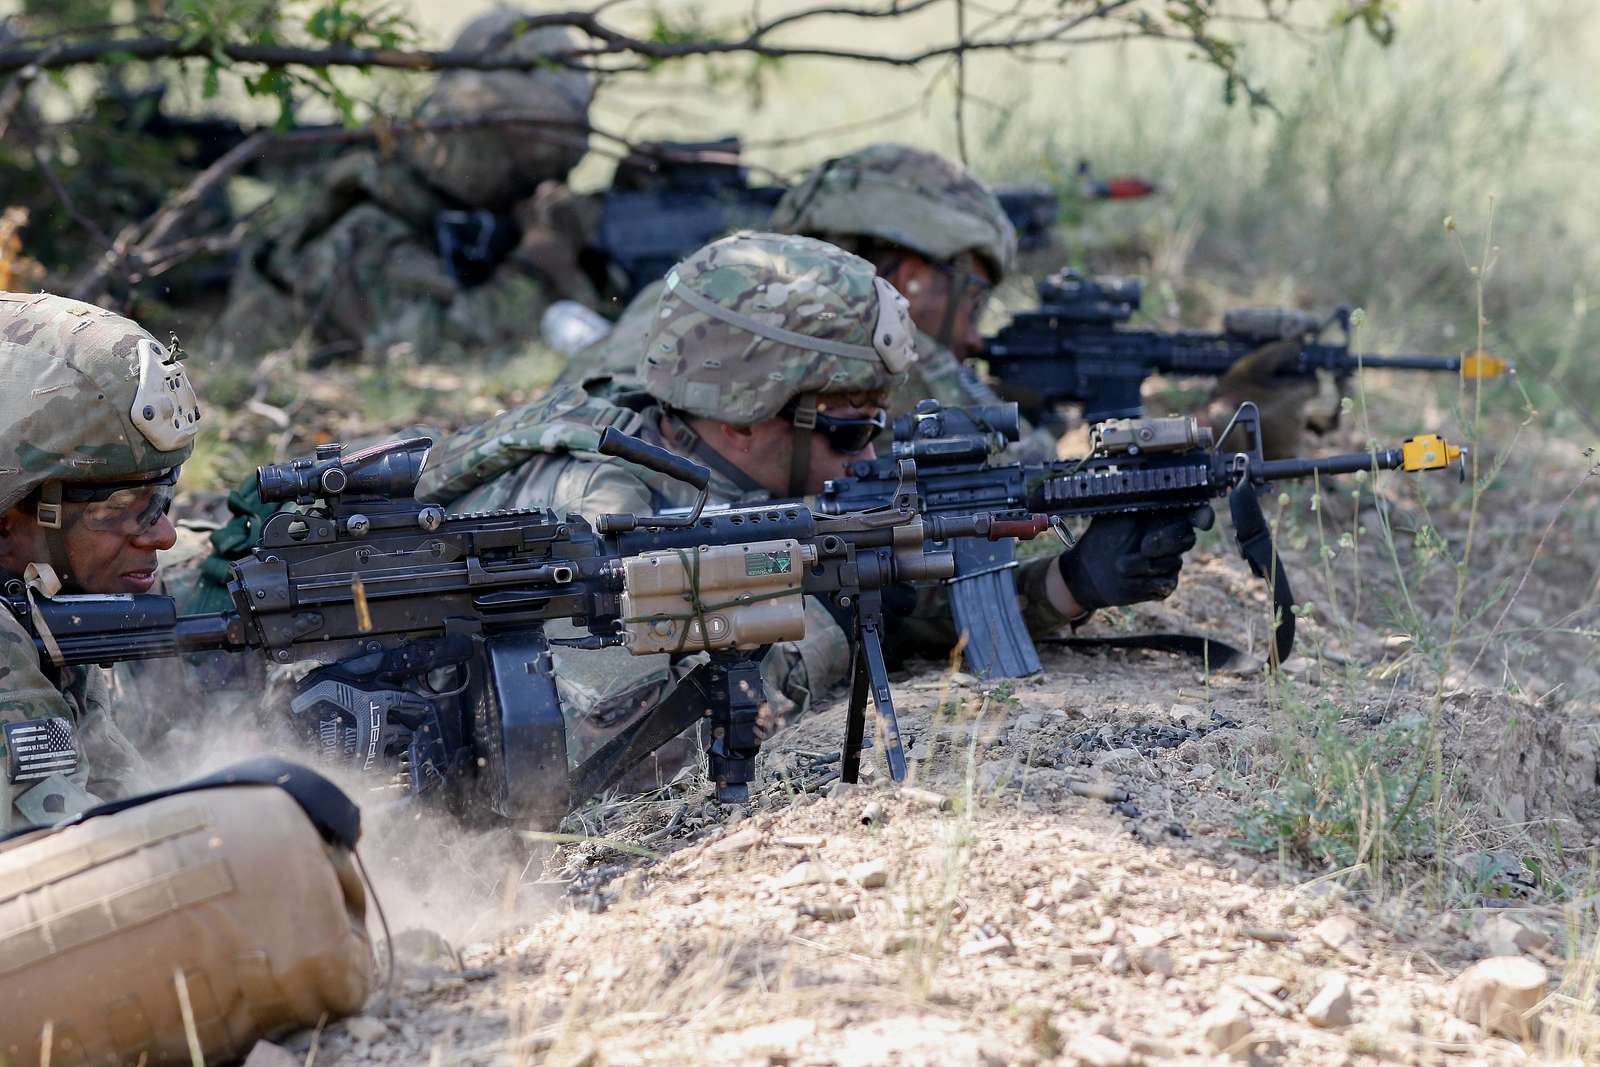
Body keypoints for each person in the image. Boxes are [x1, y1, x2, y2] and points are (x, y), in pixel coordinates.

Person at [416, 232, 1207, 780]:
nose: (868, 453)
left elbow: (886, 583)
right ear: (743, 415)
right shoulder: (603, 509)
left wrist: (1069, 582)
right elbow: (594, 737)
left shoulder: (740, 475)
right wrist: (813, 622)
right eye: (849, 427)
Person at [208, 7, 599, 365]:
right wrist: (536, 264)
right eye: (528, 147)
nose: (541, 167)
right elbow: (444, 346)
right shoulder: (366, 221)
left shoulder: (470, 213)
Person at [560, 143, 1027, 429]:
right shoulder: (855, 346)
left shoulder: (705, 282)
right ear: (912, 278)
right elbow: (1020, 462)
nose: (972, 337)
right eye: (973, 300)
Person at [0, 290, 202, 828]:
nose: (164, 536)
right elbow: (70, 857)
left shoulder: (45, 600)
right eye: (120, 509)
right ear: (7, 522)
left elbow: (116, 796)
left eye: (162, 499)